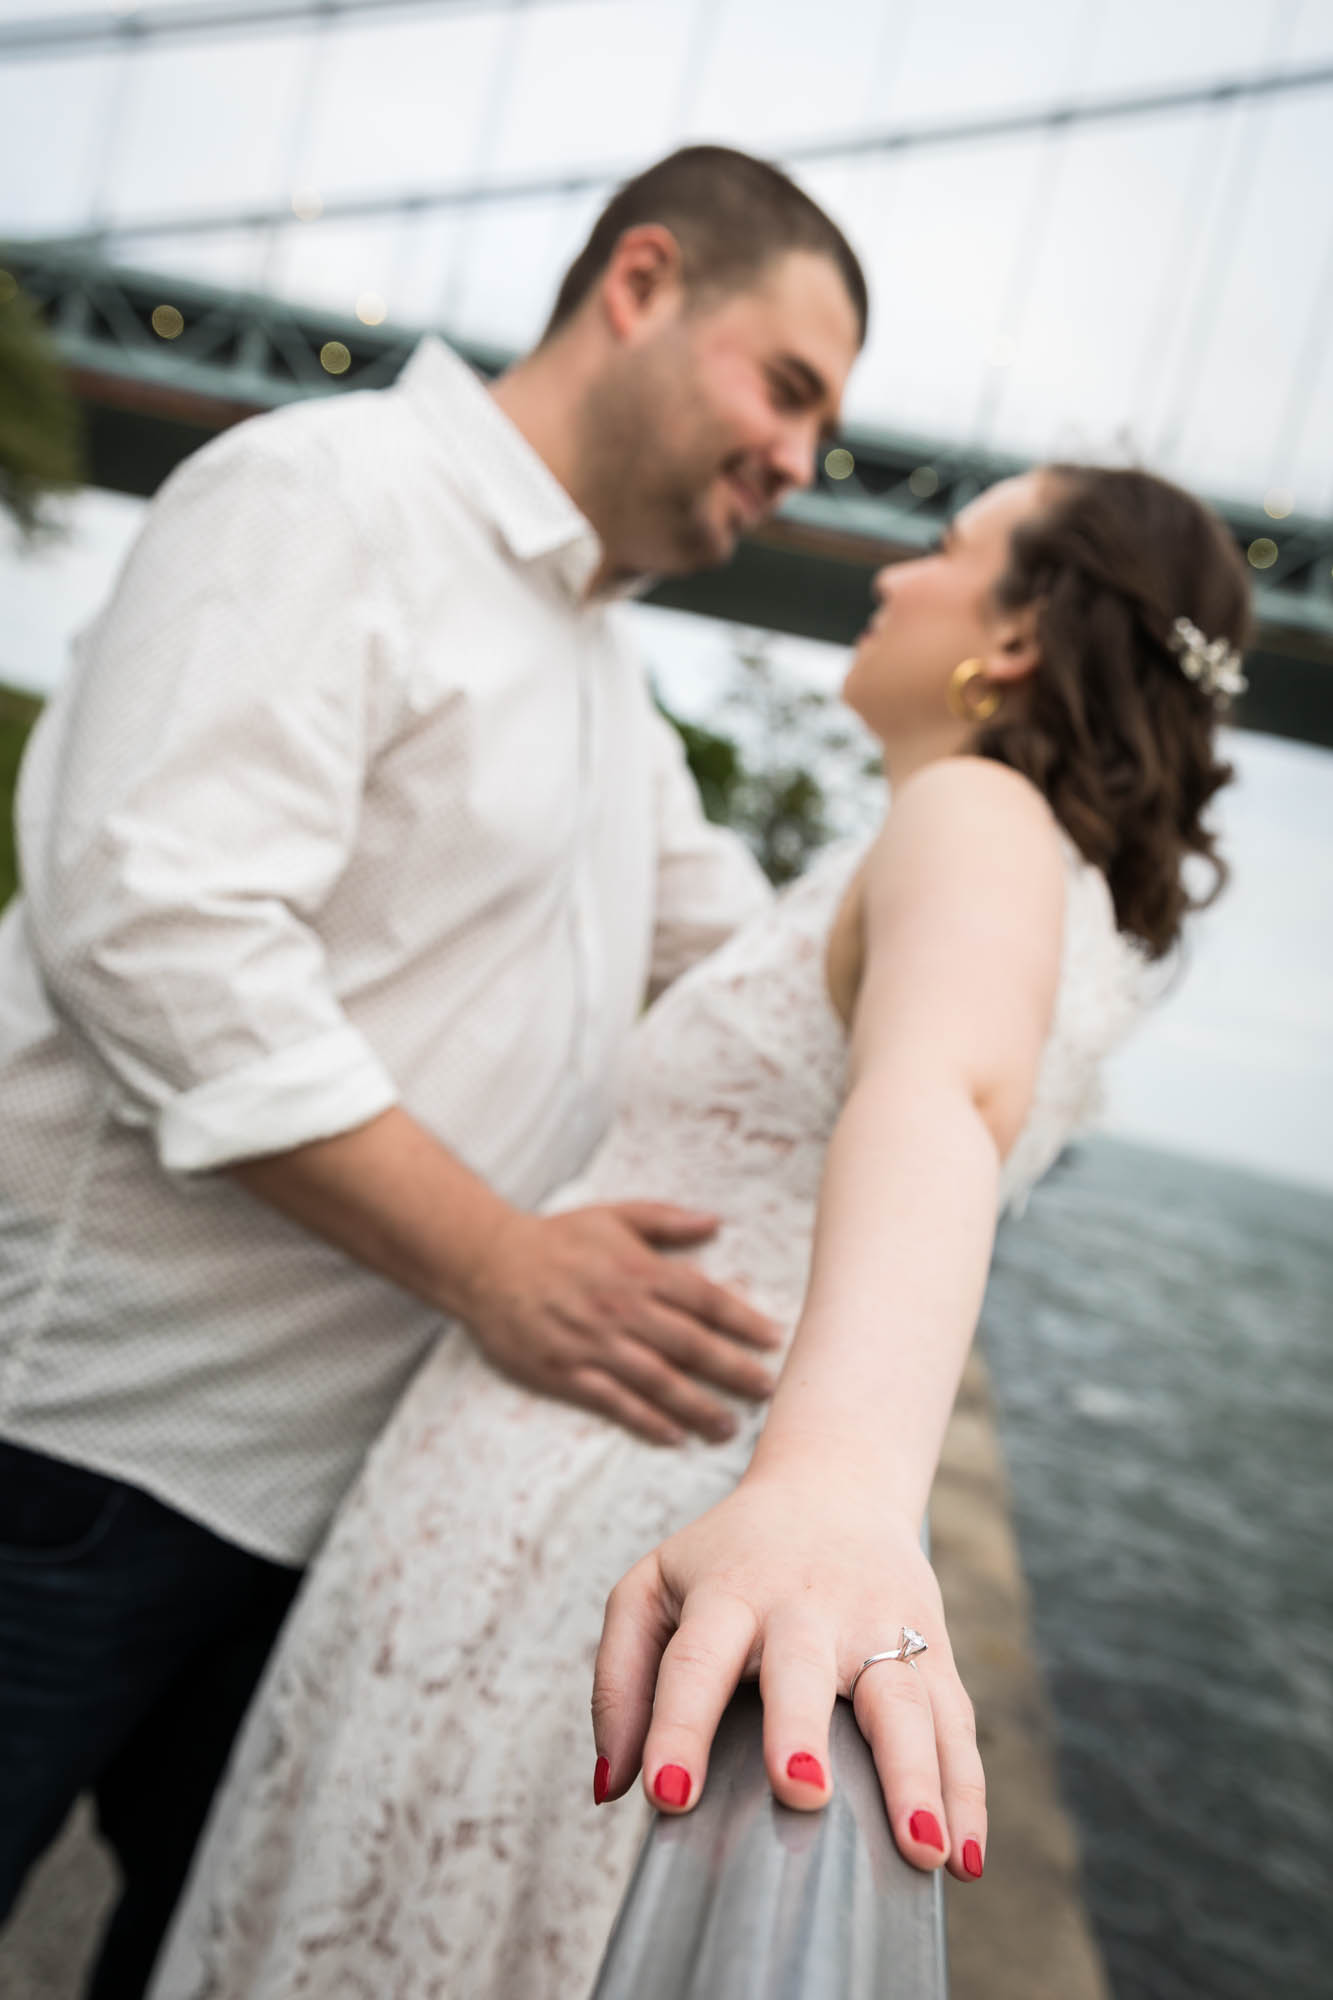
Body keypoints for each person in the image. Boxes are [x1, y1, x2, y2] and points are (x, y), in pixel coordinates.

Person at [147, 459, 1250, 1999]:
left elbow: (941, 1093)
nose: (881, 574)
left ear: (1008, 643)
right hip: (567, 1504)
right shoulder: (974, 860)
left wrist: (841, 1491)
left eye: (938, 548)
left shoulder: (978, 814)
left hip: (593, 1539)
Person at [0, 147, 868, 1996]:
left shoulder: (596, 670)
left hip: (331, 1510)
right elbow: (157, 926)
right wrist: (495, 1260)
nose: (804, 462)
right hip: (80, 1445)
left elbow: (764, 974)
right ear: (639, 283)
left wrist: (1013, 849)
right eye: (786, 387)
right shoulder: (326, 493)